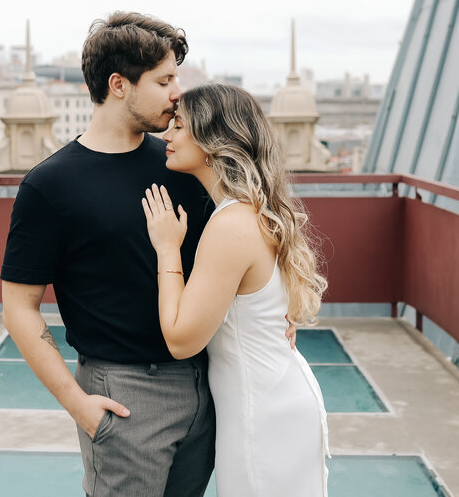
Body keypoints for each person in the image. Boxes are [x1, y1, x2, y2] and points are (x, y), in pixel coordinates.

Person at [0, 12, 216, 497]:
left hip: (204, 384)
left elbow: (231, 249)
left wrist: (280, 308)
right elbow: (18, 306)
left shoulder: (182, 164)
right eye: (164, 80)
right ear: (119, 85)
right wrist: (77, 403)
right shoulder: (49, 185)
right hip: (123, 397)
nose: (177, 92)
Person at [142, 82, 331, 496]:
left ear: (213, 142)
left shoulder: (231, 224)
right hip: (275, 399)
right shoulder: (252, 212)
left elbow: (180, 339)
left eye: (179, 125)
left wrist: (168, 250)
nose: (167, 136)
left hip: (262, 414)